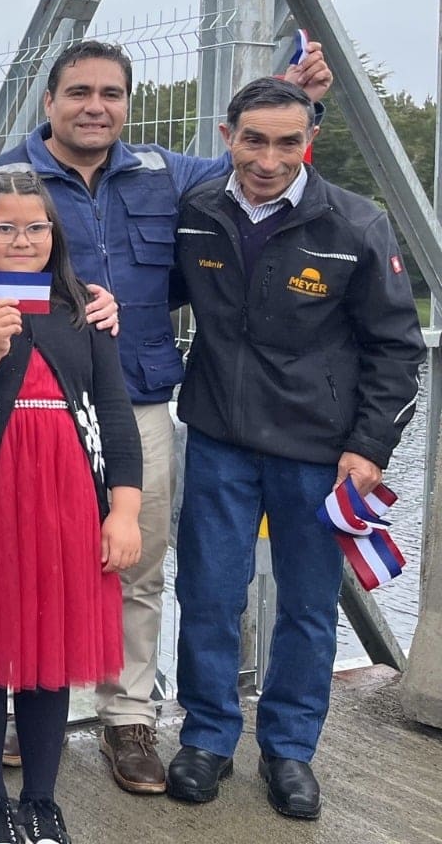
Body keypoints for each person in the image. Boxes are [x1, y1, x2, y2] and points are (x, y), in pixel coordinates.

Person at [0, 36, 331, 792]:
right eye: (78, 93)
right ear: (50, 102)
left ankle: (127, 717)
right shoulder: (1, 178)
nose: (94, 107)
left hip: (136, 403)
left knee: (134, 563)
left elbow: (263, 161)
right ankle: (20, 701)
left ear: (127, 105)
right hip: (31, 406)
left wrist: (302, 96)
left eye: (110, 94)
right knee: (26, 559)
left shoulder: (168, 173)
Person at [167, 78, 423, 820]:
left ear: (307, 138)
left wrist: (371, 445)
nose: (269, 158)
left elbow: (398, 350)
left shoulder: (356, 224)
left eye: (287, 142)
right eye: (254, 140)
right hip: (218, 439)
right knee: (208, 596)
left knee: (307, 608)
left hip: (319, 452)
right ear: (227, 136)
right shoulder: (198, 214)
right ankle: (208, 737)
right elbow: (157, 293)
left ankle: (288, 750)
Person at [0, 170, 143, 844]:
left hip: (66, 506)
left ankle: (41, 799)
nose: (22, 239)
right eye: (4, 227)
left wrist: (122, 511)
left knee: (48, 655)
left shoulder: (81, 307)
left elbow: (117, 417)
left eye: (36, 227)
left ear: (54, 233)